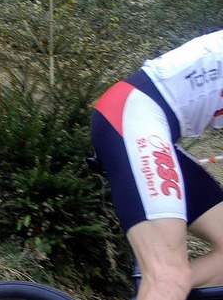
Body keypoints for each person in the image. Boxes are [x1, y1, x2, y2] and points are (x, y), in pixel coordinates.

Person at [91, 29, 223, 300]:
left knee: (171, 283)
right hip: (135, 113)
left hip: (151, 124)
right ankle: (163, 289)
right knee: (168, 276)